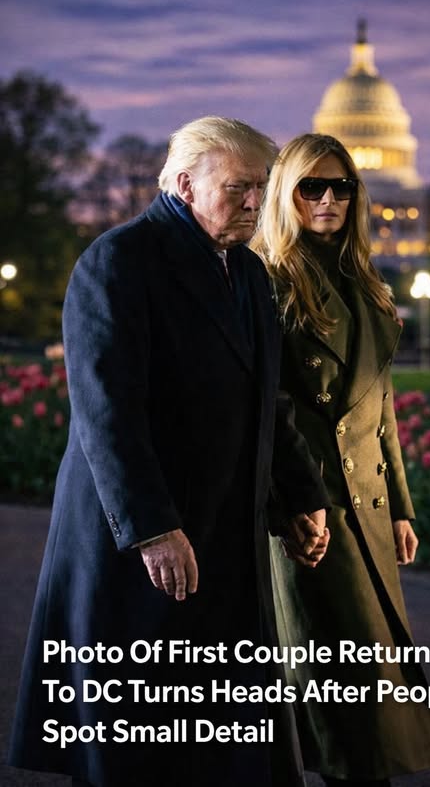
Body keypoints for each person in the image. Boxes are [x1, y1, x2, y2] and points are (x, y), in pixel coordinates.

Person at [8, 117, 331, 787]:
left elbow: (265, 400)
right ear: (185, 184)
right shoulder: (119, 260)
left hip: (223, 535)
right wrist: (152, 528)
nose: (254, 203)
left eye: (260, 187)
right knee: (139, 742)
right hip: (141, 541)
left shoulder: (248, 272)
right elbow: (107, 414)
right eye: (238, 188)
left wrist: (301, 498)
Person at [251, 133, 430, 786]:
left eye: (341, 186)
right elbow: (270, 409)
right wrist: (293, 504)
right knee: (345, 689)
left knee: (372, 686)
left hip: (366, 503)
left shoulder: (363, 278)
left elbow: (380, 405)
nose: (329, 199)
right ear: (285, 193)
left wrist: (401, 507)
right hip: (314, 507)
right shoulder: (267, 280)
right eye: (312, 186)